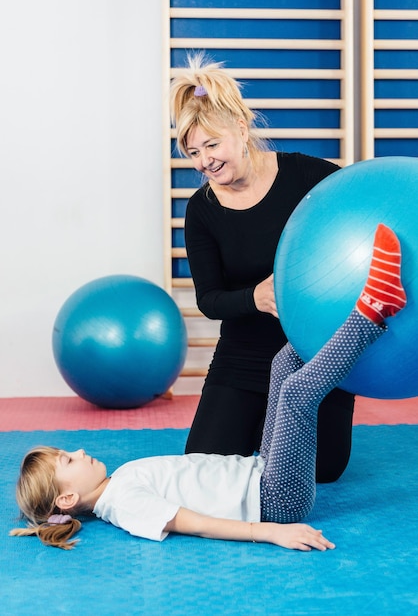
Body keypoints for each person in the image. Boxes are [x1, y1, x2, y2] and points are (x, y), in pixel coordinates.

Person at [10, 224, 406, 551]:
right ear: (67, 500)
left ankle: (335, 316)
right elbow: (194, 524)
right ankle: (372, 311)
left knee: (283, 364)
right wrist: (270, 531)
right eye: (68, 460)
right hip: (276, 500)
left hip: (261, 470)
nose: (78, 451)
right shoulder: (124, 504)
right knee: (296, 396)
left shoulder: (119, 482)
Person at [170, 54, 357, 481]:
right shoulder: (201, 211)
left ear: (240, 128)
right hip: (244, 355)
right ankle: (260, 423)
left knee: (323, 470)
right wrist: (255, 297)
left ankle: (271, 426)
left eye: (211, 146)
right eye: (193, 152)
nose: (204, 162)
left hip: (313, 354)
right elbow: (209, 300)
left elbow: (360, 220)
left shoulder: (308, 177)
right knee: (205, 465)